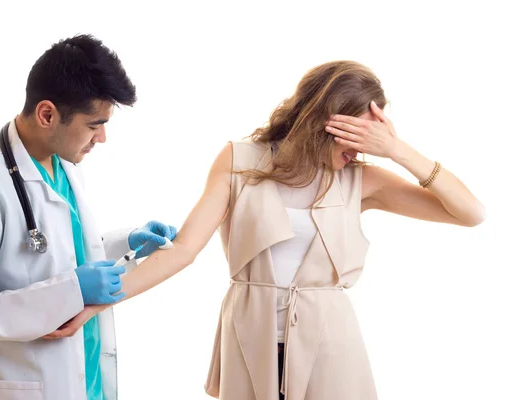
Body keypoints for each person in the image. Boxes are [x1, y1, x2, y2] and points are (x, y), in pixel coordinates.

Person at [47, 61, 486, 399]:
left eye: (370, 139)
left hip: (331, 342)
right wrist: (95, 303)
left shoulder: (362, 179)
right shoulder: (240, 159)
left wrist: (397, 150)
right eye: (355, 135)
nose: (360, 150)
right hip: (249, 334)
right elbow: (182, 251)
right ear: (325, 122)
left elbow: (470, 213)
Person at [0, 34, 177, 400]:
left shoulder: (63, 161)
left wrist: (125, 244)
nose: (103, 138)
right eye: (94, 124)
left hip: (88, 377)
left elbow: (59, 254)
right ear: (48, 114)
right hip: (32, 384)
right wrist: (70, 292)